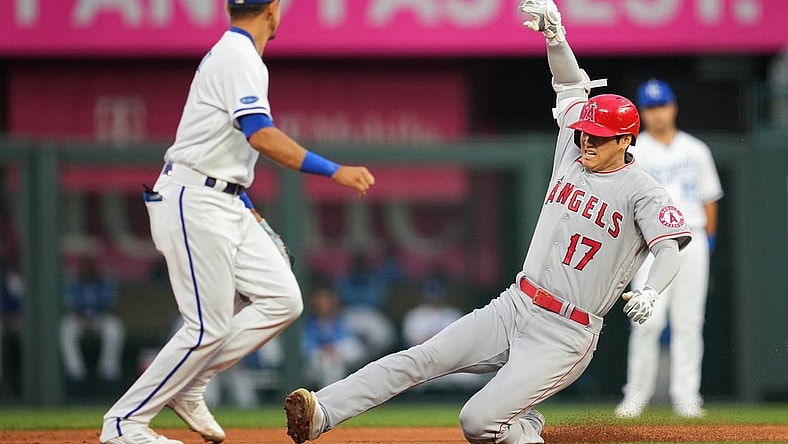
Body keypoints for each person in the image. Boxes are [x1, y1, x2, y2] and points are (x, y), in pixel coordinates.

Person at [283, 1, 692, 443]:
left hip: (566, 332)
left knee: (476, 421)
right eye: (584, 132)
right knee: (421, 357)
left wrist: (651, 289)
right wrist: (556, 38)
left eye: (598, 136)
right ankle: (322, 412)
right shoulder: (573, 151)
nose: (586, 139)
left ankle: (523, 428)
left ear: (626, 140)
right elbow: (572, 84)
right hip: (516, 303)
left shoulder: (644, 190)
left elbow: (669, 246)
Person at [99, 1, 375, 443]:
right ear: (273, 9)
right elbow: (260, 133)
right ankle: (124, 423)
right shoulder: (239, 56)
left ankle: (189, 383)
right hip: (194, 198)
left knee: (283, 299)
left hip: (224, 197)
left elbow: (221, 143)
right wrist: (334, 170)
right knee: (207, 326)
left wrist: (241, 201)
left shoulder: (236, 53)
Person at [615, 79, 723, 419]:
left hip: (692, 236)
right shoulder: (636, 152)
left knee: (689, 322)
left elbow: (709, 199)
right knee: (646, 320)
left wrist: (708, 240)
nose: (657, 113)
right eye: (650, 107)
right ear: (643, 113)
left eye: (661, 105)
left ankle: (687, 397)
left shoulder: (695, 149)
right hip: (651, 245)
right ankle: (635, 396)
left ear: (673, 106)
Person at [60, 257, 126, 383]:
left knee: (114, 327)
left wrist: (94, 319)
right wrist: (84, 320)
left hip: (100, 319)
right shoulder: (75, 283)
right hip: (79, 320)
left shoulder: (104, 283)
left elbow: (111, 306)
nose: (89, 270)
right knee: (66, 327)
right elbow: (70, 305)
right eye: (86, 267)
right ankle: (75, 372)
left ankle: (109, 370)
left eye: (91, 267)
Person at [302, 285, 366, 389]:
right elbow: (304, 346)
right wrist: (323, 350)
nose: (324, 304)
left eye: (327, 300)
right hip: (313, 364)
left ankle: (334, 397)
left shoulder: (340, 322)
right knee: (328, 363)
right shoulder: (307, 323)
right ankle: (329, 399)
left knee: (339, 358)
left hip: (337, 358)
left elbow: (350, 341)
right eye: (320, 301)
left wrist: (334, 348)